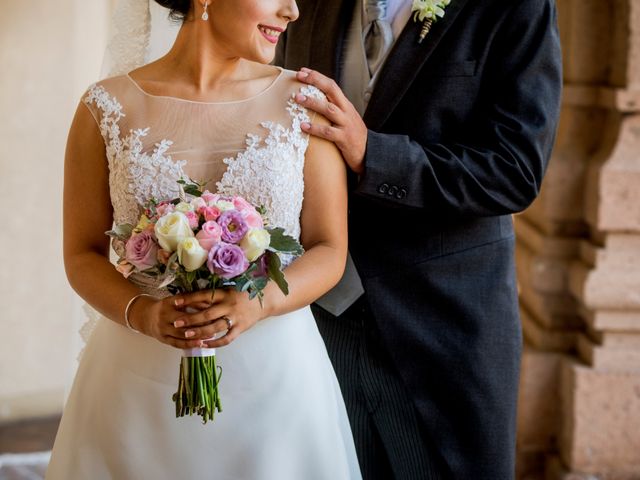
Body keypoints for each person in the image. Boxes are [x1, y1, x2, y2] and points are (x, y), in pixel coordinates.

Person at [46, 0, 362, 478]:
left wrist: (261, 304)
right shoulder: (105, 107)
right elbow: (81, 253)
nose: (292, 10)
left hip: (274, 381)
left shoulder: (304, 103)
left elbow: (330, 249)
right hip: (136, 378)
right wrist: (144, 313)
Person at [275, 0, 562, 478]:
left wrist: (374, 155)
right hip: (317, 320)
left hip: (443, 326)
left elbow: (515, 170)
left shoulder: (518, 8)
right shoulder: (307, 6)